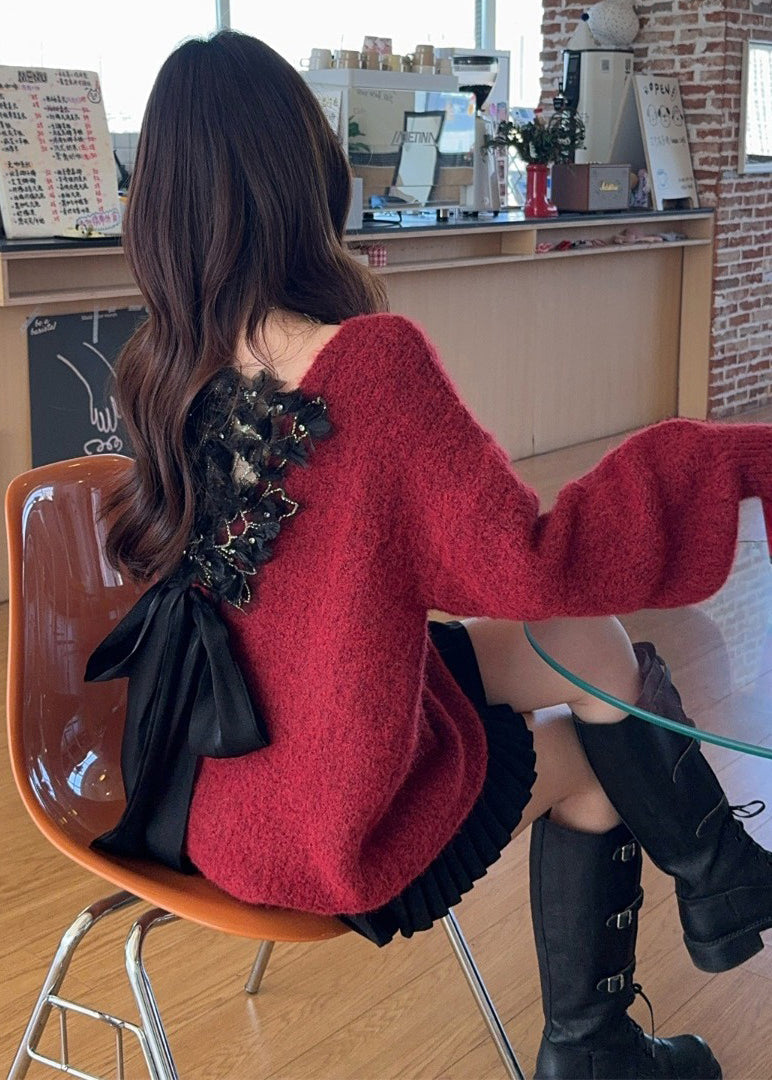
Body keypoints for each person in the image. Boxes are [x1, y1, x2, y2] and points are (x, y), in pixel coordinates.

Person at [88, 31, 772, 1080]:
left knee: (589, 643)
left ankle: (718, 873)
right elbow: (521, 567)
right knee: (594, 746)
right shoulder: (369, 362)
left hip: (211, 787)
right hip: (330, 821)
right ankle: (598, 1042)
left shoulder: (161, 368)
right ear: (305, 174)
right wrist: (719, 460)